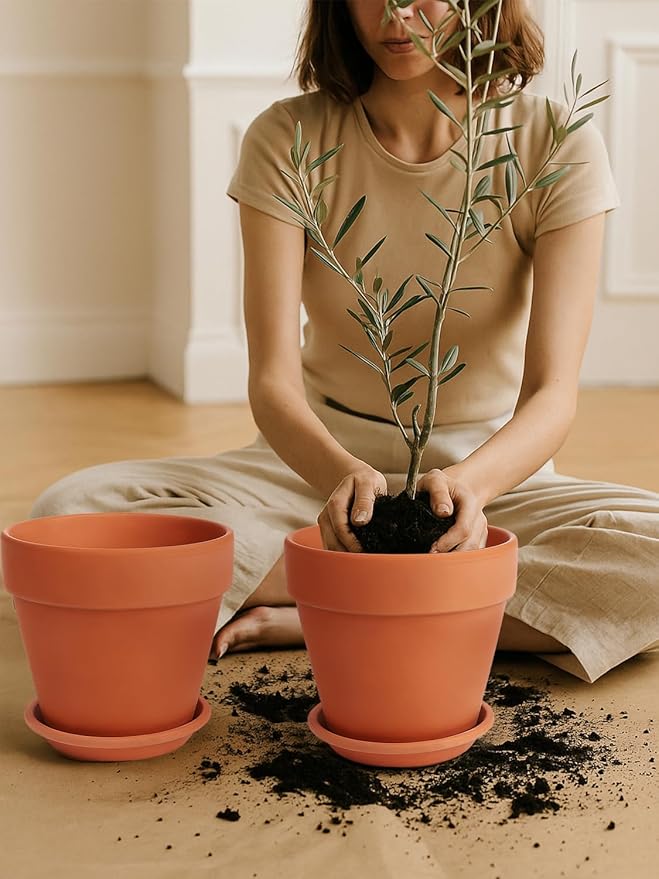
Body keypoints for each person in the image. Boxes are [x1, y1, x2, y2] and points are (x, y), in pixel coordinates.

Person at [30, 0, 659, 683]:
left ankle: (318, 604)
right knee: (68, 513)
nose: (395, 13)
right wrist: (338, 477)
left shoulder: (555, 140)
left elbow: (551, 395)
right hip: (313, 473)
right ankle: (443, 599)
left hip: (490, 480)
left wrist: (468, 491)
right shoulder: (285, 138)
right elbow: (271, 380)